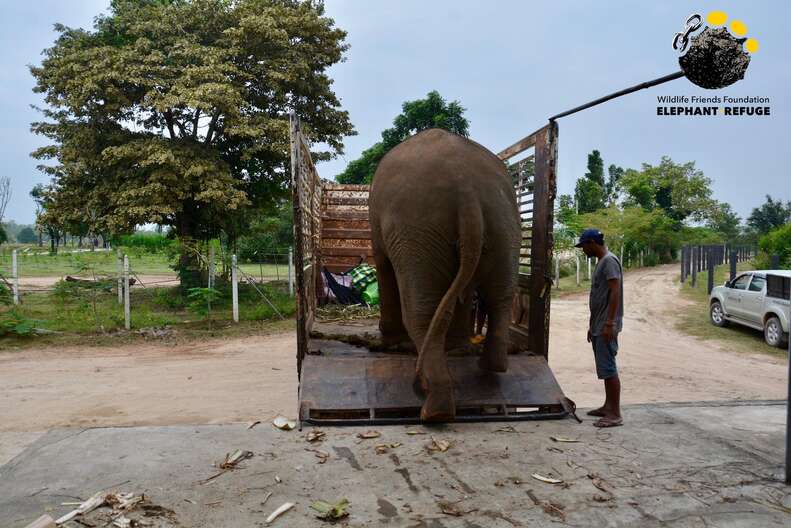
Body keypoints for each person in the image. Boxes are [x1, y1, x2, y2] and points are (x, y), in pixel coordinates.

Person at [575, 228, 624, 427]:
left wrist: (609, 323)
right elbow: (599, 296)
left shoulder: (609, 261)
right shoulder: (601, 262)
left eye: (584, 246)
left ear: (592, 243)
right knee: (604, 367)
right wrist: (592, 324)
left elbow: (615, 292)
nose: (583, 250)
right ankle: (607, 406)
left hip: (606, 324)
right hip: (599, 323)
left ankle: (615, 414)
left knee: (609, 368)